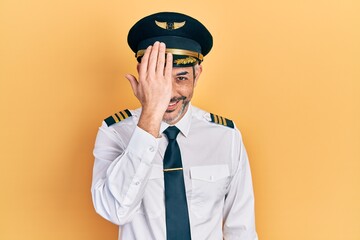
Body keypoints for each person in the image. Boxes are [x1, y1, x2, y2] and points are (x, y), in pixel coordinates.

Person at [91, 12, 258, 240]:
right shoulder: (115, 132)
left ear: (197, 75)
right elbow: (114, 210)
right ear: (142, 74)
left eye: (181, 79)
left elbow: (241, 230)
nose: (168, 94)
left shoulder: (226, 136)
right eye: (158, 80)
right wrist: (150, 115)